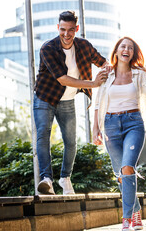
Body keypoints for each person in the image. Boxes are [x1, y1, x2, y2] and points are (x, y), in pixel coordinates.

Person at [93, 36, 146, 231]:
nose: (127, 50)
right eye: (123, 46)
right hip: (109, 125)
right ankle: (135, 211)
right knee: (121, 175)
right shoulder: (105, 75)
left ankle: (126, 220)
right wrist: (95, 130)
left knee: (127, 168)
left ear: (133, 53)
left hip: (134, 123)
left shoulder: (140, 74)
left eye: (131, 48)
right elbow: (97, 104)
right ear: (116, 51)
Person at [33, 11, 108, 195]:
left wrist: (115, 70)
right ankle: (46, 179)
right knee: (43, 135)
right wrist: (93, 83)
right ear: (58, 28)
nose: (66, 34)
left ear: (77, 29)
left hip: (67, 101)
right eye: (62, 30)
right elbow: (62, 79)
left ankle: (65, 178)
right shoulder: (48, 48)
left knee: (71, 142)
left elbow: (103, 62)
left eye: (70, 30)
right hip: (45, 98)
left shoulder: (83, 46)